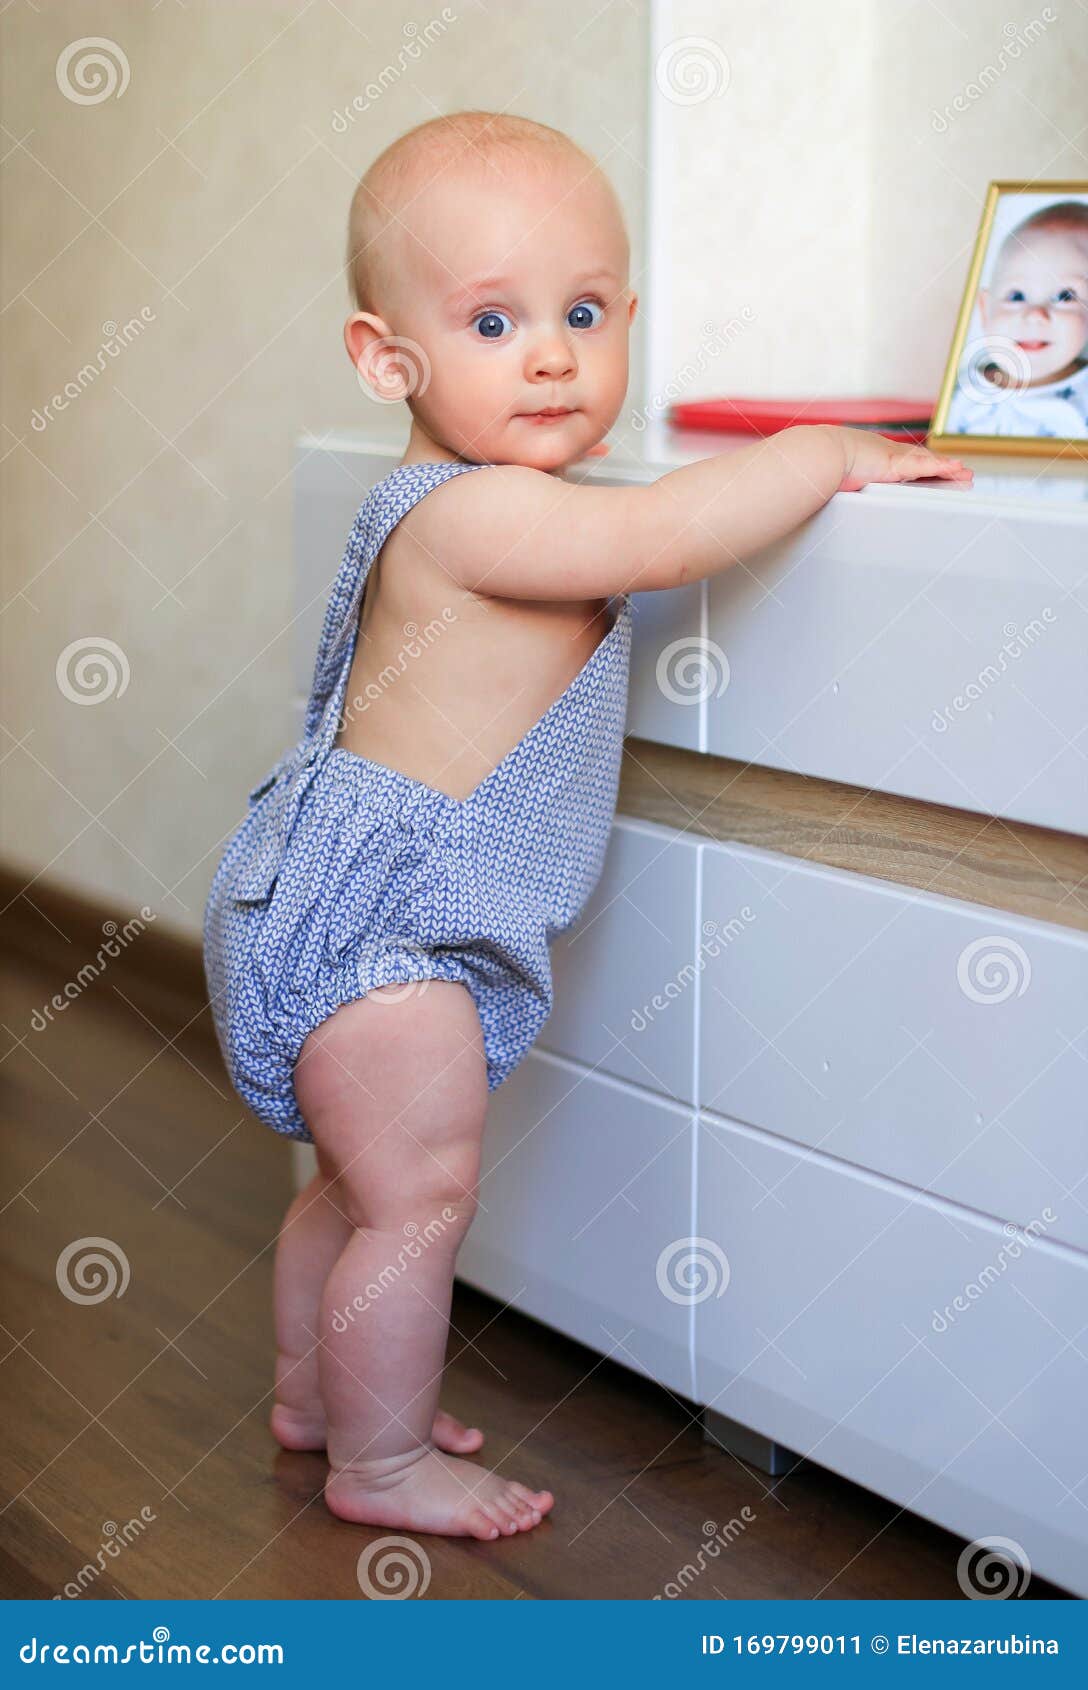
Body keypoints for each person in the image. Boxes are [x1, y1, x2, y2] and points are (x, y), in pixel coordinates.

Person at [202, 110, 971, 1541]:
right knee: (419, 1203)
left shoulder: (445, 502)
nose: (552, 351)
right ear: (389, 360)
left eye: (585, 311)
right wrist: (820, 453)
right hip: (391, 936)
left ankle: (322, 1395)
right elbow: (662, 539)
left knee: (360, 1190)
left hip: (331, 904)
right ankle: (378, 1461)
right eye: (494, 320)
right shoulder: (476, 515)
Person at [945, 199, 1088, 439]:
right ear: (984, 309)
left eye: (1065, 296)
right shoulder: (961, 393)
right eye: (1016, 295)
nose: (1035, 314)